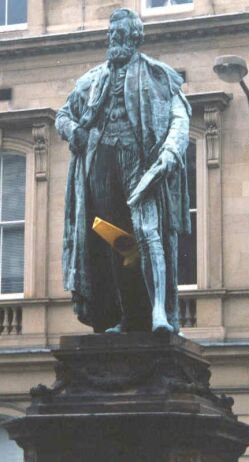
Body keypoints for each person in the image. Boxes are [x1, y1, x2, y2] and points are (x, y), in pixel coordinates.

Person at [55, 8, 191, 334]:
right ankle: (128, 316)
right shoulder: (91, 81)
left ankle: (158, 312)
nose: (113, 38)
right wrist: (76, 133)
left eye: (120, 33)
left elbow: (180, 117)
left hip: (139, 161)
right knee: (116, 241)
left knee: (147, 232)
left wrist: (171, 151)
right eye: (111, 32)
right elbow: (62, 116)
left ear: (135, 37)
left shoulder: (158, 75)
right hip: (100, 165)